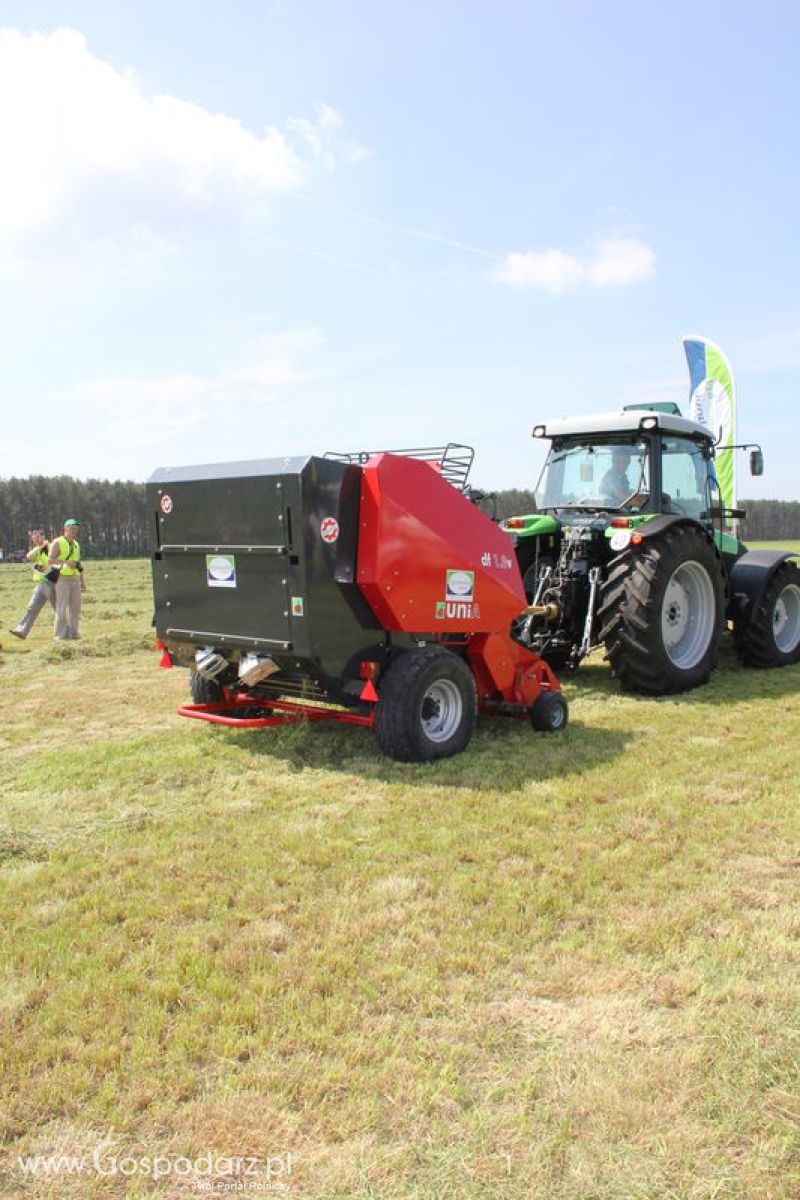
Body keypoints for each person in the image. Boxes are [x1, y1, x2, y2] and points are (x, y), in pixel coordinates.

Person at [10, 529, 57, 639]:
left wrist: (39, 568)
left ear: (43, 536)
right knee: (32, 608)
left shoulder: (50, 547)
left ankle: (68, 631)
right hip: (41, 584)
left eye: (37, 537)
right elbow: (28, 556)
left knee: (58, 609)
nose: (35, 540)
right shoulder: (39, 548)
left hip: (51, 583)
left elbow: (53, 564)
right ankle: (22, 630)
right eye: (33, 538)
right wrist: (39, 549)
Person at [50, 519, 87, 640]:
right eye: (71, 528)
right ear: (65, 529)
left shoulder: (76, 544)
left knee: (76, 608)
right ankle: (60, 635)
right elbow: (50, 561)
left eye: (76, 529)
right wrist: (66, 562)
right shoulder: (57, 542)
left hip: (75, 578)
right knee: (61, 607)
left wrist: (82, 581)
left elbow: (78, 564)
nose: (74, 531)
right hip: (62, 578)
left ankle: (74, 633)